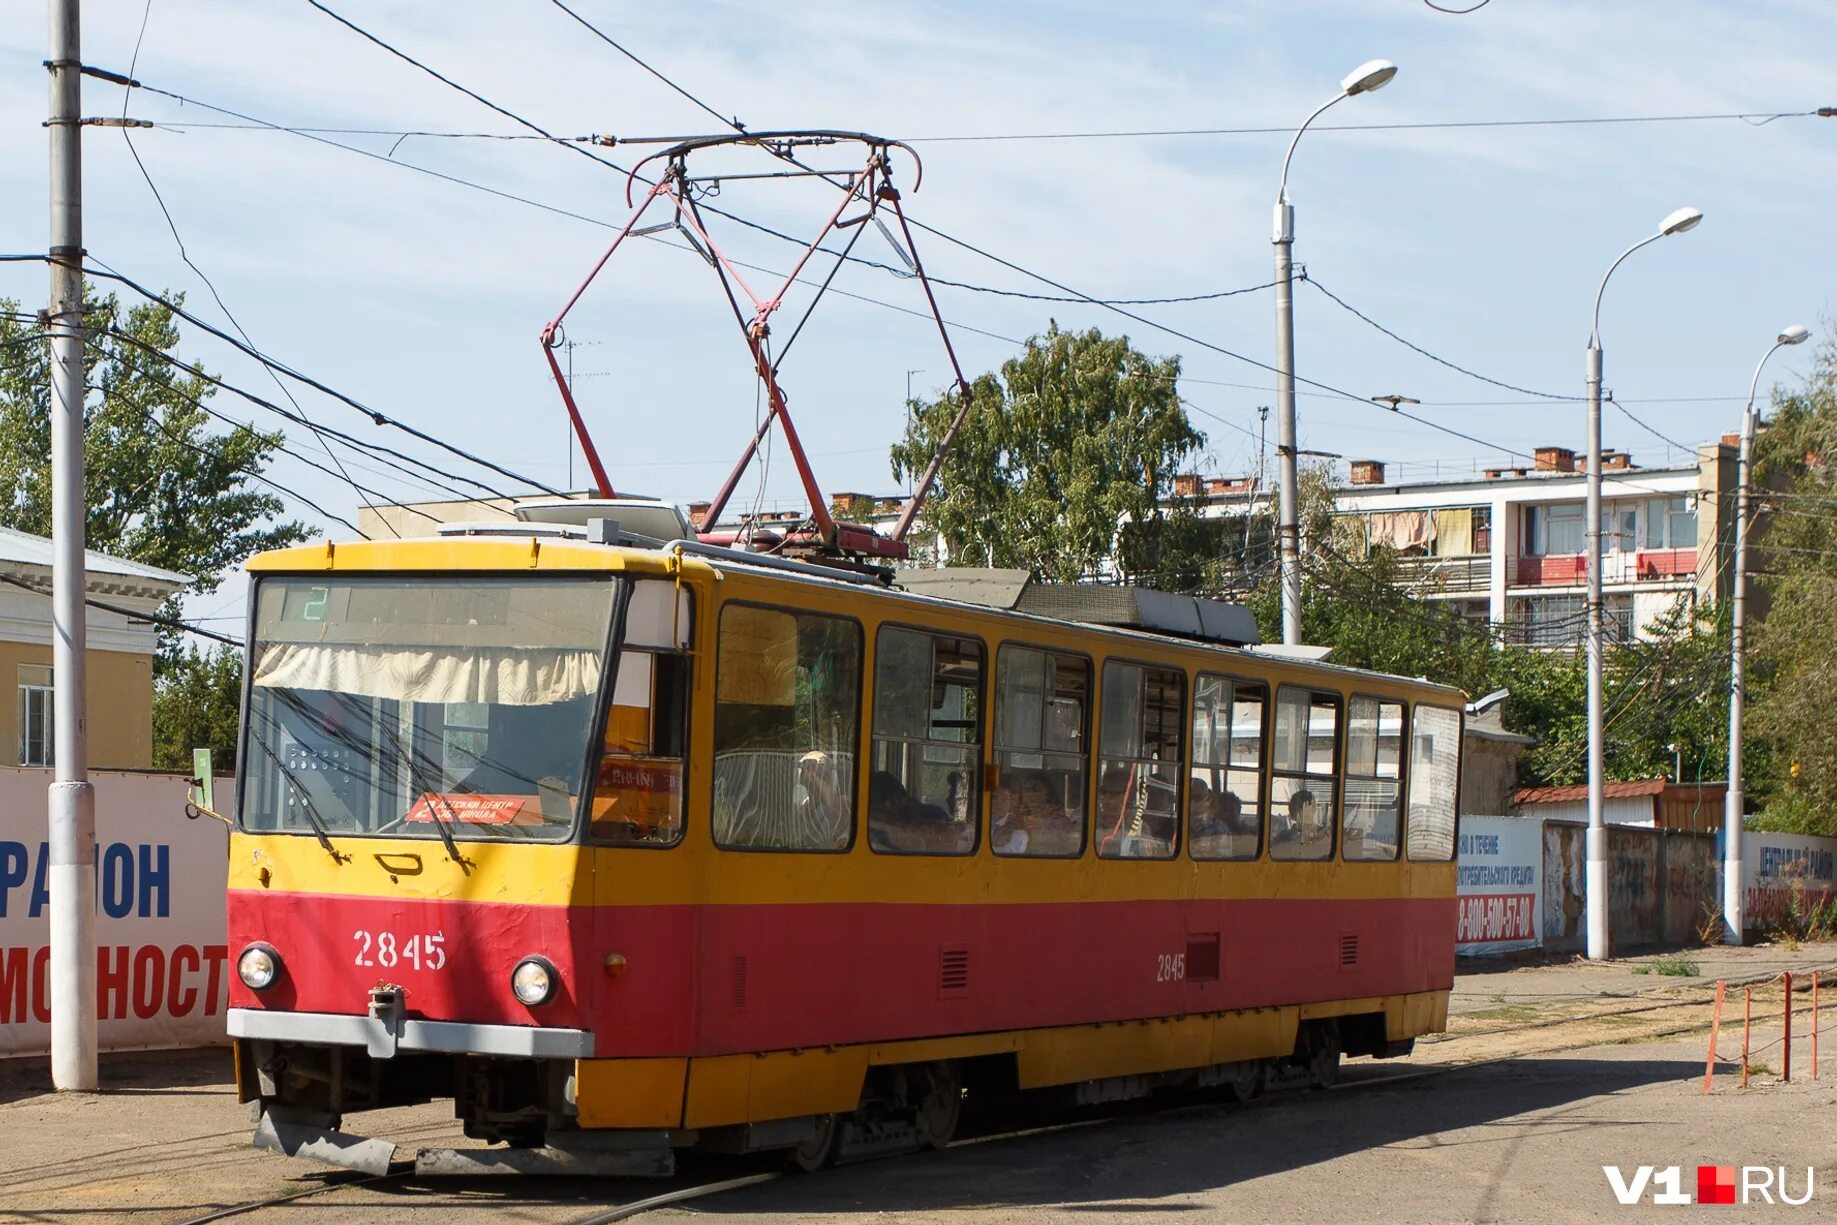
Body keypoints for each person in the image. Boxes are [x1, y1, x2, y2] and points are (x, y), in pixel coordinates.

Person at [797, 750, 851, 849]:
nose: (810, 790)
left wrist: (815, 777)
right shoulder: (805, 806)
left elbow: (832, 804)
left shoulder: (844, 802)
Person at [1271, 787, 1328, 859]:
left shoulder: (1323, 834)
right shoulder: (1284, 837)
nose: (1314, 810)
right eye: (1310, 806)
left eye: (1314, 806)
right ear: (1298, 812)